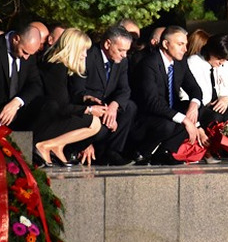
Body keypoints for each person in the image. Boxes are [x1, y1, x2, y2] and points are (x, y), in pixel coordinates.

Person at [131, 26, 207, 165]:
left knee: (198, 109)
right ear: (166, 44)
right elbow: (152, 102)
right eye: (180, 44)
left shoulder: (180, 62)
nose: (185, 49)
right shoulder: (149, 63)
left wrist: (194, 105)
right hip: (148, 115)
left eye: (185, 44)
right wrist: (185, 120)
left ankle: (165, 152)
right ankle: (142, 152)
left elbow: (194, 89)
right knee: (168, 124)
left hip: (169, 109)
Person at [33, 28, 108, 167]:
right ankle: (44, 146)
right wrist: (89, 110)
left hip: (54, 114)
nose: (85, 55)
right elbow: (61, 106)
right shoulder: (56, 68)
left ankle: (56, 146)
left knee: (96, 123)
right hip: (45, 119)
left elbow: (69, 97)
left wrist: (85, 100)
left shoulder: (64, 67)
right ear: (72, 49)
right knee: (94, 122)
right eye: (82, 51)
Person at [75, 25, 137, 166]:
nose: (124, 55)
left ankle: (113, 151)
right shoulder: (88, 55)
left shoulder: (122, 61)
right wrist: (101, 109)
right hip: (88, 107)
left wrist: (114, 107)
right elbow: (78, 91)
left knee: (130, 107)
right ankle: (85, 145)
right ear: (108, 44)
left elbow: (124, 89)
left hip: (108, 107)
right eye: (121, 50)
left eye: (126, 51)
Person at [0, 23, 45, 129]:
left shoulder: (28, 53)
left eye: (30, 54)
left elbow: (35, 84)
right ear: (16, 39)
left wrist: (17, 102)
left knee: (49, 106)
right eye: (24, 52)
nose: (26, 58)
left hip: (17, 112)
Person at [187, 33, 228, 130]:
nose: (221, 63)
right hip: (201, 108)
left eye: (224, 59)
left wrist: (225, 99)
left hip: (219, 106)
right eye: (219, 59)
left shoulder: (225, 65)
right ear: (211, 51)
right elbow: (188, 96)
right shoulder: (193, 63)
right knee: (216, 118)